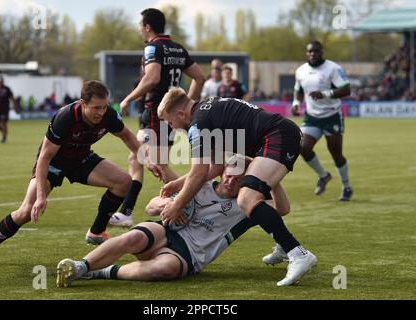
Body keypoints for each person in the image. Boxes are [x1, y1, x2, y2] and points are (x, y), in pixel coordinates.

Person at [0, 80, 161, 268]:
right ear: (83, 103)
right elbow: (44, 157)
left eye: (104, 107)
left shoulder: (108, 115)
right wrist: (40, 196)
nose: (101, 112)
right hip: (53, 164)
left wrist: (148, 160)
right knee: (26, 211)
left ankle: (96, 232)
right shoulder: (65, 117)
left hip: (81, 159)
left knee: (123, 182)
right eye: (96, 108)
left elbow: (127, 136)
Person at [56, 156, 307, 287]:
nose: (232, 182)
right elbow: (151, 206)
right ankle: (80, 267)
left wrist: (271, 177)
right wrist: (169, 205)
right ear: (222, 172)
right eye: (230, 176)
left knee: (165, 269)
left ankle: (101, 272)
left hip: (190, 255)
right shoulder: (199, 185)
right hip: (163, 232)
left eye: (240, 180)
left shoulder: (246, 204)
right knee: (133, 237)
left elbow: (283, 208)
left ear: (248, 182)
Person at [156, 88, 317, 286]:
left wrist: (177, 204)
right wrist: (179, 182)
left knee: (246, 199)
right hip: (278, 135)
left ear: (180, 113)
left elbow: (199, 174)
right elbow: (215, 167)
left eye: (171, 123)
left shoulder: (198, 125)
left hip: (277, 137)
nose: (173, 129)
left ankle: (297, 253)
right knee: (265, 203)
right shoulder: (208, 108)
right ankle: (285, 246)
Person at [110, 8, 206, 227]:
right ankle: (194, 200)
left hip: (155, 111)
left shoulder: (153, 48)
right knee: (153, 162)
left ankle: (127, 211)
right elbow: (200, 78)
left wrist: (128, 99)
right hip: (168, 114)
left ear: (147, 27)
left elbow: (152, 78)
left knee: (143, 159)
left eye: (140, 26)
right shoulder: (179, 49)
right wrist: (185, 106)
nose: (139, 30)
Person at [292, 41, 353, 201]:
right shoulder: (301, 71)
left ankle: (346, 186)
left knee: (336, 154)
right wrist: (296, 104)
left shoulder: (333, 68)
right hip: (312, 117)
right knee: (302, 148)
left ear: (322, 52)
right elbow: (298, 90)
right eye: (310, 51)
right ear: (307, 53)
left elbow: (346, 90)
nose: (313, 54)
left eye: (316, 51)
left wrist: (325, 94)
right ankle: (323, 175)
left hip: (332, 115)